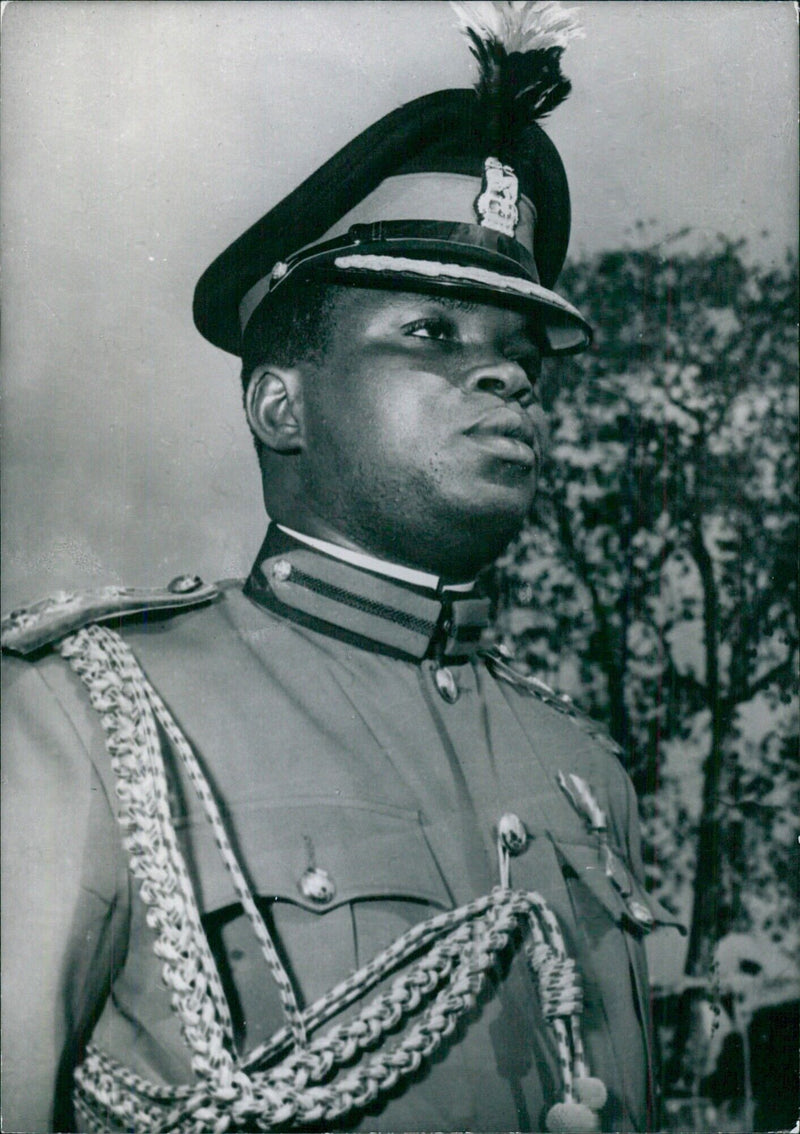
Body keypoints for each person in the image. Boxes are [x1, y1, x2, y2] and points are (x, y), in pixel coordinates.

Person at [1, 4, 679, 1131]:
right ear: (280, 402)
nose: (507, 379)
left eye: (519, 356)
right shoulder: (83, 720)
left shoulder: (581, 767)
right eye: (431, 335)